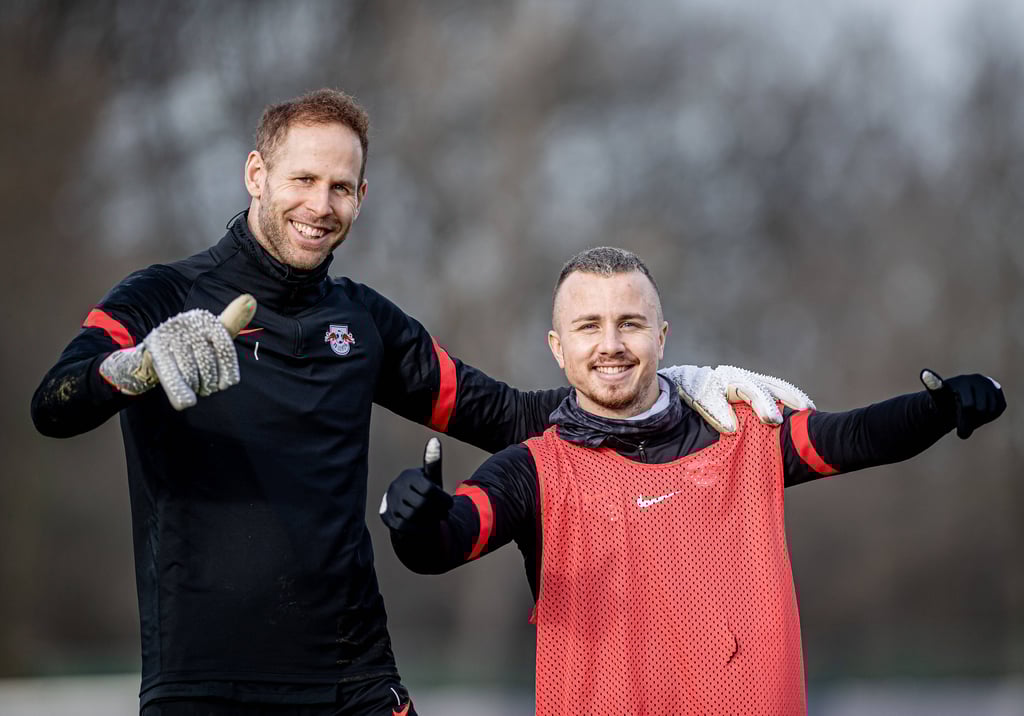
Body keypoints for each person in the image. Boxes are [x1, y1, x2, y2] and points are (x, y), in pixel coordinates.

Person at [30, 90, 810, 716]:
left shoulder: (362, 321)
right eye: (303, 179)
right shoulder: (163, 294)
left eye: (342, 186)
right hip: (203, 681)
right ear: (256, 174)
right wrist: (135, 368)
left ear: (362, 196)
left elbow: (508, 415)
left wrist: (674, 391)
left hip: (354, 677)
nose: (320, 203)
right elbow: (54, 403)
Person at [380, 246, 1006, 716]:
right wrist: (417, 522)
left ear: (661, 335)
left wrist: (936, 410)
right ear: (556, 347)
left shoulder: (745, 433)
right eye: (588, 326)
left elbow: (854, 437)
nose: (611, 344)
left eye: (630, 323)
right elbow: (451, 537)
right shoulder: (532, 467)